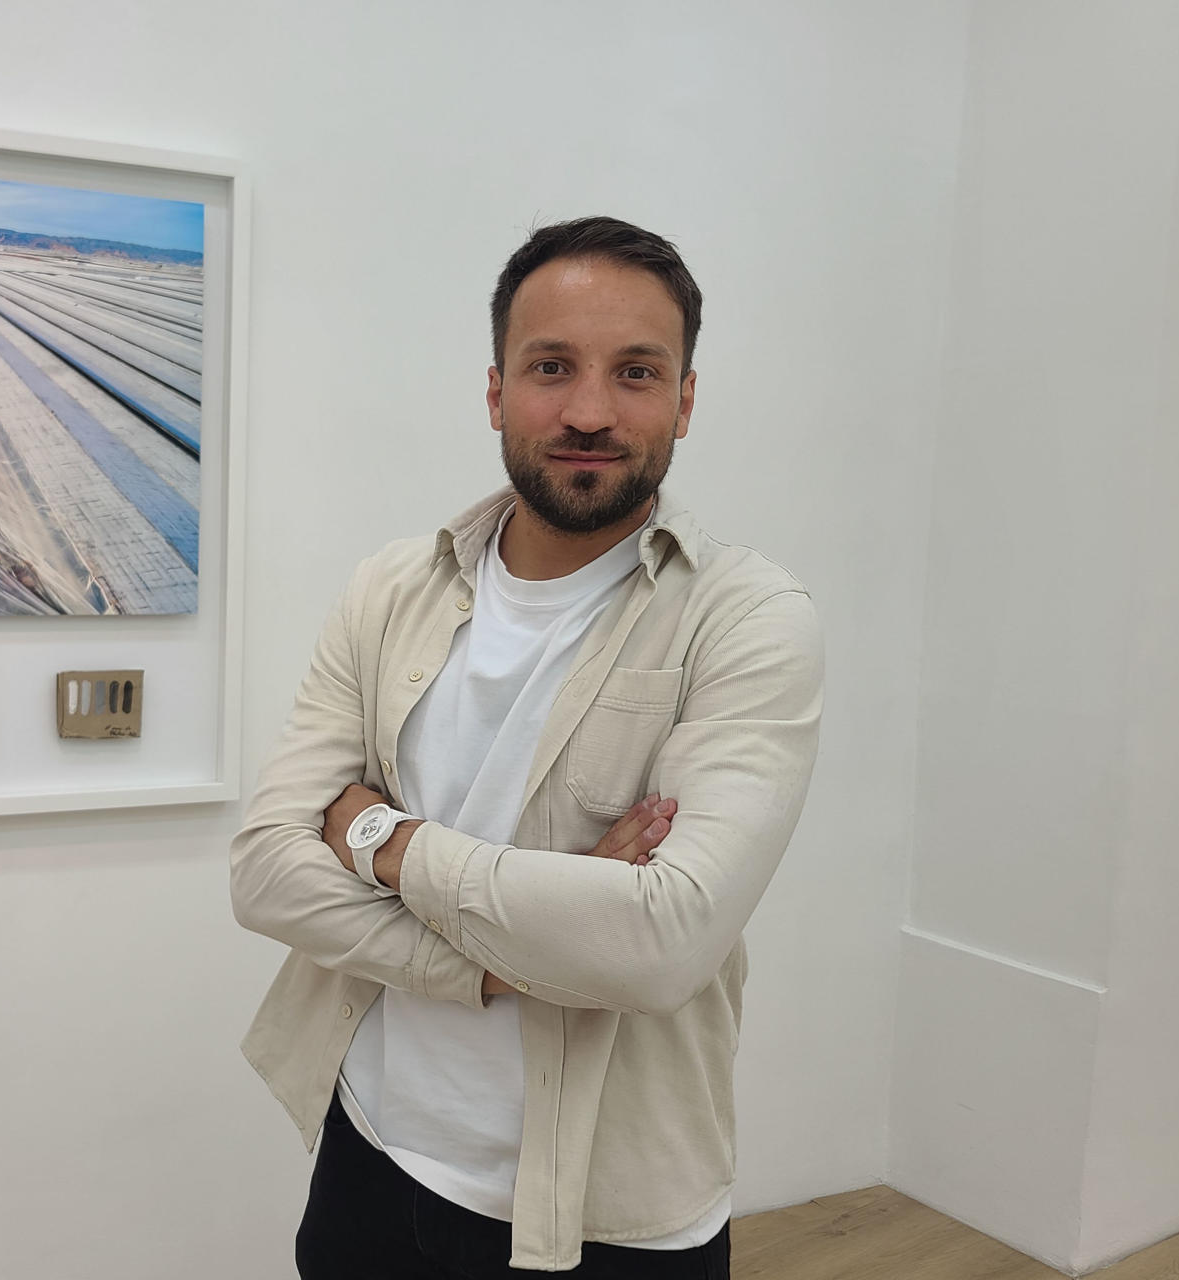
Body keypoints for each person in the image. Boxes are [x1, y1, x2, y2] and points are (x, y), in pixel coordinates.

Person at [229, 216, 824, 1277]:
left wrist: (381, 837)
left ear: (686, 398)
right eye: (552, 366)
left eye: (636, 372)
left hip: (606, 1213)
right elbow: (266, 871)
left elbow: (660, 942)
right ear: (497, 388)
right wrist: (505, 965)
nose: (590, 410)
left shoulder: (747, 620)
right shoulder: (390, 587)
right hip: (368, 1152)